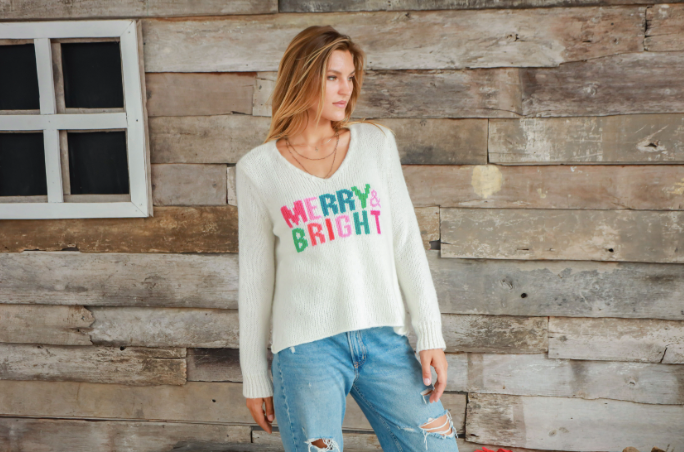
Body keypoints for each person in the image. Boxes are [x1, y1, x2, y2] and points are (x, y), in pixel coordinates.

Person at [235, 25, 459, 452]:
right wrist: (254, 376)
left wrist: (430, 334)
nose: (346, 89)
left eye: (351, 77)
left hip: (383, 339)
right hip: (306, 351)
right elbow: (255, 280)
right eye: (333, 77)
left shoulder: (375, 143)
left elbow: (405, 241)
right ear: (302, 78)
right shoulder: (258, 169)